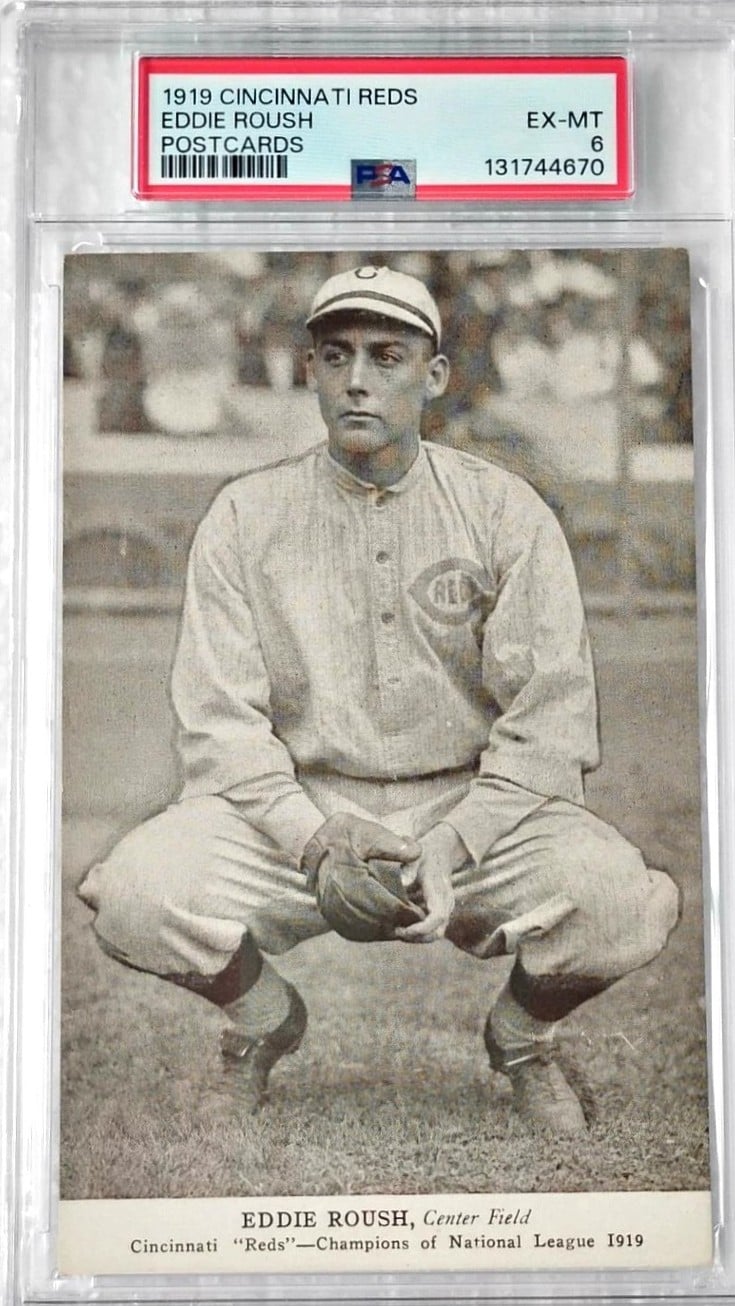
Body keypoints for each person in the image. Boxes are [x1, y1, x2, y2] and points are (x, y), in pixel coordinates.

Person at [78, 265, 680, 1135]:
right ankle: (261, 1020)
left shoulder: (504, 512)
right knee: (135, 891)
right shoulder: (245, 516)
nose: (357, 379)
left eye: (386, 356)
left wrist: (453, 839)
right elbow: (220, 723)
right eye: (337, 356)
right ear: (311, 371)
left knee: (620, 899)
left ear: (434, 375)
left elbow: (548, 719)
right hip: (298, 808)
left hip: (467, 807)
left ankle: (522, 1040)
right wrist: (315, 837)